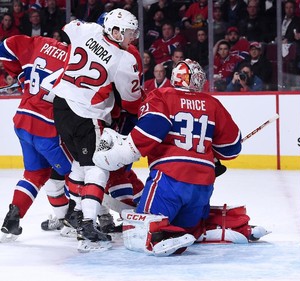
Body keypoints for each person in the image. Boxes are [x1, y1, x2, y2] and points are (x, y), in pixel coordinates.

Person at [93, 59, 246, 256]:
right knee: (187, 227)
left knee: (139, 228)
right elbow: (231, 149)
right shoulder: (212, 103)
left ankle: (159, 237)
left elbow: (148, 134)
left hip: (170, 179)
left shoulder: (163, 96)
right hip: (203, 186)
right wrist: (211, 152)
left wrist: (114, 156)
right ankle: (223, 226)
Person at [51, 8, 142, 252]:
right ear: (115, 31)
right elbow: (131, 99)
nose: (133, 38)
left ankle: (78, 214)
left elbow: (70, 27)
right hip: (86, 113)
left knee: (80, 165)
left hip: (60, 104)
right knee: (97, 167)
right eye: (129, 33)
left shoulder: (88, 29)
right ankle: (88, 227)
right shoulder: (125, 59)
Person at [0, 35, 72, 242]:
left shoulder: (42, 43)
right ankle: (73, 221)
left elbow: (4, 47)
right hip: (47, 129)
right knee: (76, 172)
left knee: (34, 174)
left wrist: (20, 75)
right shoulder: (76, 58)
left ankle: (12, 219)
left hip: (22, 120)